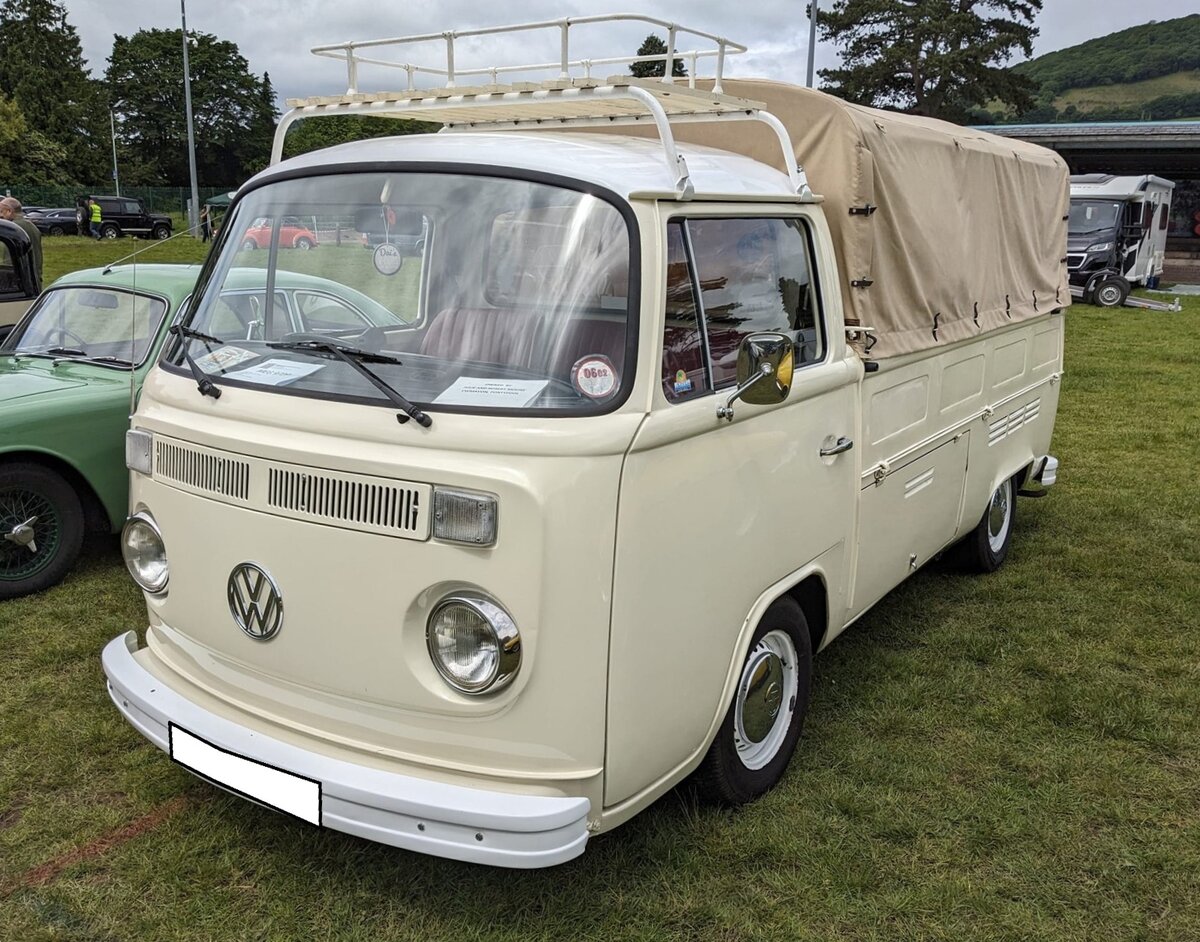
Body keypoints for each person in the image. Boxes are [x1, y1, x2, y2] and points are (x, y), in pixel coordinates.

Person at [0, 197, 42, 293]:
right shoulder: (32, 226)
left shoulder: (13, 230)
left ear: (9, 211)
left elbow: (9, 262)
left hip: (21, 283)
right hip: (35, 279)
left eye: (1, 211)